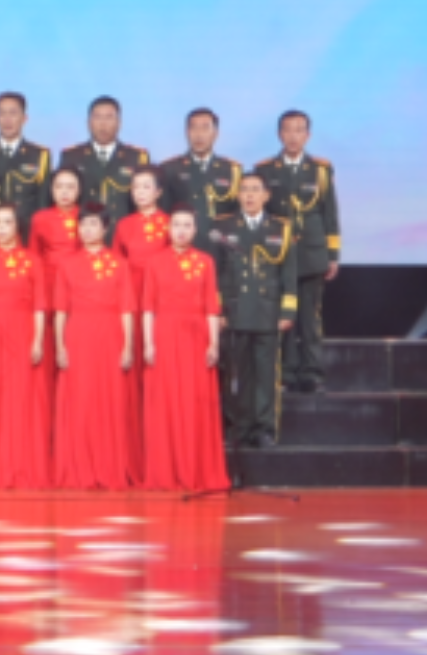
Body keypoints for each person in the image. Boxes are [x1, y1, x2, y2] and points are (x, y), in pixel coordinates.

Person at [204, 172, 297, 451]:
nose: (249, 195)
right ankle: (241, 428)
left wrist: (287, 312)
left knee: (266, 375)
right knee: (238, 374)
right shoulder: (223, 226)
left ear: (266, 195)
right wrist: (219, 311)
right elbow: (215, 272)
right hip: (235, 310)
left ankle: (264, 428)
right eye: (244, 189)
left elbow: (288, 273)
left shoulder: (280, 228)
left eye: (255, 189)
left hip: (268, 311)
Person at [139, 208, 230, 492]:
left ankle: (196, 469)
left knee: (194, 402)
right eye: (176, 225)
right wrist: (148, 343)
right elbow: (147, 307)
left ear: (195, 230)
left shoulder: (205, 262)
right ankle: (165, 472)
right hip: (164, 334)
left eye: (186, 225)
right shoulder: (154, 262)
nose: (180, 230)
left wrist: (213, 343)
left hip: (196, 337)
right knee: (165, 402)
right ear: (168, 230)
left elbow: (211, 307)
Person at [50, 208, 138, 491]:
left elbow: (127, 308)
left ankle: (109, 466)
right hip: (78, 334)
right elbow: (60, 309)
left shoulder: (119, 264)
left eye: (93, 225)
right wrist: (60, 345)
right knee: (80, 399)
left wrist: (128, 345)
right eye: (83, 225)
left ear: (105, 229)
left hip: (111, 334)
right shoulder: (67, 264)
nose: (87, 230)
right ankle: (77, 466)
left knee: (110, 399)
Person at [0, 208, 55, 491]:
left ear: (18, 226)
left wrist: (38, 340)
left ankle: (23, 466)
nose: (2, 227)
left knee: (23, 398)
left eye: (8, 222)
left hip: (22, 331)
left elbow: (40, 305)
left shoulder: (32, 261)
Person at [259, 111, 341, 394]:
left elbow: (329, 213)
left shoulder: (320, 170)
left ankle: (312, 373)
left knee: (310, 319)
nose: (293, 136)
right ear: (279, 134)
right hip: (279, 254)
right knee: (283, 317)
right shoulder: (265, 170)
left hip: (312, 253)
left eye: (299, 130)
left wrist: (333, 255)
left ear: (308, 135)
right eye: (288, 130)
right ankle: (285, 373)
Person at [60, 97, 155, 242]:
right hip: (84, 240)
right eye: (97, 117)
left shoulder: (136, 157)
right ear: (88, 123)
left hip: (125, 237)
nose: (103, 124)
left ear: (119, 123)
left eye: (109, 117)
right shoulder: (72, 156)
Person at [0, 91, 61, 220]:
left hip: (25, 226)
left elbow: (44, 200)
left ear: (24, 119)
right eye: (2, 113)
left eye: (13, 113)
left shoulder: (39, 155)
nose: (7, 120)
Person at [162, 107, 245, 222]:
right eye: (194, 128)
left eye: (205, 128)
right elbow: (164, 211)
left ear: (216, 134)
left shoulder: (232, 170)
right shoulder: (169, 169)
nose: (199, 134)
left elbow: (239, 213)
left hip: (220, 232)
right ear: (187, 133)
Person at [112, 167, 175, 264]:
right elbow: (116, 261)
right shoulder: (124, 224)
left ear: (158, 192)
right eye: (135, 187)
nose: (140, 192)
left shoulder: (170, 223)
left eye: (146, 187)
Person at [30, 168, 88, 259]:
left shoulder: (87, 217)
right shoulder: (40, 218)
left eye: (70, 187)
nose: (64, 192)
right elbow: (34, 255)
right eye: (59, 187)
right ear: (51, 190)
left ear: (79, 190)